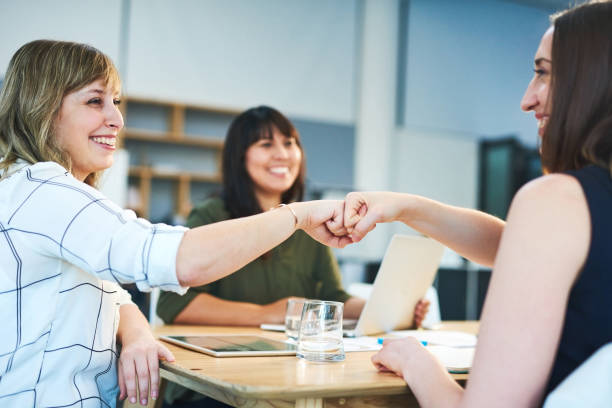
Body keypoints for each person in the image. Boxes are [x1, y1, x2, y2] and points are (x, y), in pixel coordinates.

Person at [0, 40, 352, 408]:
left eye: (116, 103)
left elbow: (115, 296)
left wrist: (137, 335)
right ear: (41, 107)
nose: (117, 120)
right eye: (94, 101)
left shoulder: (39, 191)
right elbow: (178, 260)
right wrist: (296, 215)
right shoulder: (43, 191)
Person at [342, 1, 612, 406]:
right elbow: (525, 247)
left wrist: (416, 360)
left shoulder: (558, 200)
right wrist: (405, 207)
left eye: (543, 73)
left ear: (590, 82)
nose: (527, 99)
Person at [156, 106, 429, 406]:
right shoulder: (212, 215)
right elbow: (174, 304)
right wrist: (273, 313)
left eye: (290, 143)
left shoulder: (309, 223)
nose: (283, 154)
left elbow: (333, 295)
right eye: (266, 144)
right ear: (240, 156)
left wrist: (388, 307)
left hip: (287, 377)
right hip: (213, 384)